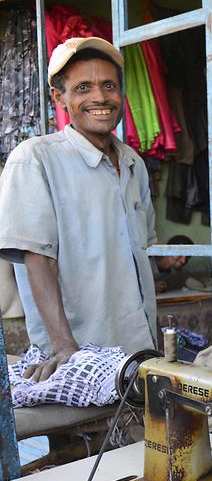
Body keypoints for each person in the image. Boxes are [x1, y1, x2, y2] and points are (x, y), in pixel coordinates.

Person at [0, 37, 157, 381]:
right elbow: (37, 258)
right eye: (83, 87)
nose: (100, 97)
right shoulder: (35, 159)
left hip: (141, 354)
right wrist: (63, 347)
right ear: (59, 98)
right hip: (78, 360)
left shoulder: (133, 163)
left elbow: (139, 255)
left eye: (109, 86)